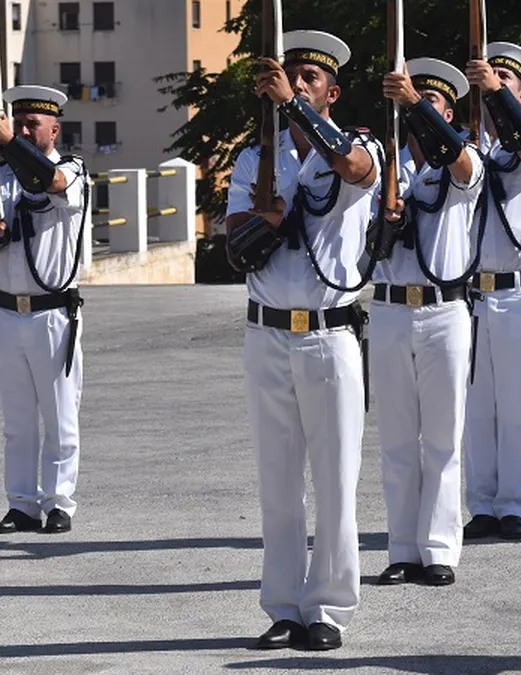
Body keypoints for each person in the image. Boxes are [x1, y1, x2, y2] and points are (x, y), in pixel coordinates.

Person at [224, 30, 379, 651]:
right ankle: (284, 606)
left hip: (328, 334)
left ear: (330, 93)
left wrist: (294, 107)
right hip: (266, 334)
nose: (296, 83)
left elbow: (356, 170)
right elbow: (237, 239)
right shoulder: (253, 157)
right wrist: (265, 216)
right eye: (289, 75)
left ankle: (329, 610)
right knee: (278, 480)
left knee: (335, 480)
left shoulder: (359, 143)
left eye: (309, 78)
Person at [372, 58, 484, 587]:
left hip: (443, 311)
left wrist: (415, 104)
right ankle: (402, 548)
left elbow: (460, 164)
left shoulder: (466, 159)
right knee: (397, 440)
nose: (416, 112)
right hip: (390, 309)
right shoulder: (383, 165)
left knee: (442, 439)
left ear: (448, 113)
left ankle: (438, 549)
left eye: (433, 102)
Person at [0, 84, 88, 536]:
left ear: (53, 130)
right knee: (17, 420)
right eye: (17, 123)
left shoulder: (72, 169)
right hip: (4, 310)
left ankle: (59, 502)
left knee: (59, 414)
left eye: (32, 124)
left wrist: (8, 144)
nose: (22, 130)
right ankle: (21, 504)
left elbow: (53, 184)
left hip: (52, 312)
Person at [461, 42, 521, 541]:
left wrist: (495, 93)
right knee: (477, 409)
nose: (493, 87)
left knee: (517, 405)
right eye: (488, 81)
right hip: (473, 294)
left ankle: (513, 505)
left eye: (505, 82)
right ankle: (481, 505)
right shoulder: (469, 149)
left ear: (520, 95)